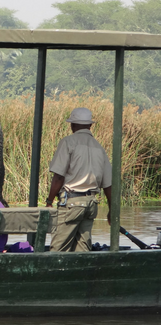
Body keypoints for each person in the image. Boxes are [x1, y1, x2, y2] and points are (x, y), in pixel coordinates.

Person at [46, 107, 112, 252]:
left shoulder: (68, 142)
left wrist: (50, 201)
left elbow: (58, 176)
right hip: (91, 203)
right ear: (90, 125)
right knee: (83, 248)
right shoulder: (98, 147)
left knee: (59, 249)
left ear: (72, 125)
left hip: (71, 203)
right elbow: (108, 183)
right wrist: (112, 209)